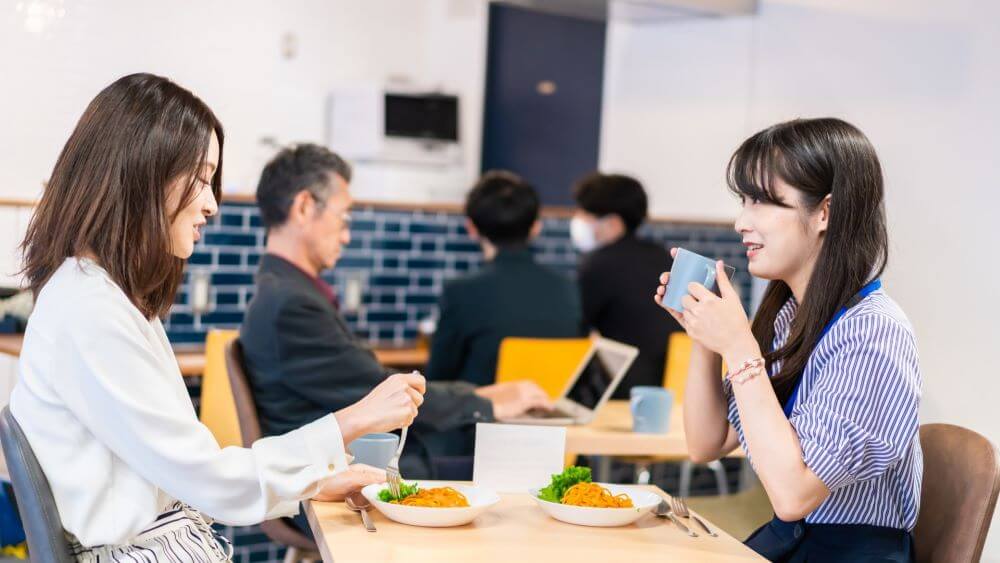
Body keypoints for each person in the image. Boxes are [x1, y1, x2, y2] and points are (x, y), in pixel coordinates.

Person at [10, 74, 424, 562]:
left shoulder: (108, 298)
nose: (211, 204)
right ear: (143, 172)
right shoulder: (90, 311)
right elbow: (209, 479)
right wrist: (354, 420)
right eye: (201, 178)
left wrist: (311, 484)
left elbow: (197, 473)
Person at [655, 118, 921, 561]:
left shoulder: (874, 333)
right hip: (795, 542)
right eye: (743, 200)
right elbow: (705, 444)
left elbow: (794, 495)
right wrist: (705, 337)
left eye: (761, 201)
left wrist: (739, 348)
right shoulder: (789, 318)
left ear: (825, 213)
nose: (741, 221)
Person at [239, 146, 552, 497]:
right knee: (524, 461)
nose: (346, 236)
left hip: (356, 459)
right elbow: (379, 394)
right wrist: (487, 402)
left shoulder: (285, 294)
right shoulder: (291, 305)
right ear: (304, 207)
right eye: (344, 219)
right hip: (349, 472)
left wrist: (481, 396)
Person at [426, 170, 584, 386]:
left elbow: (437, 381)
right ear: (536, 227)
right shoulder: (568, 288)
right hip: (552, 416)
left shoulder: (460, 291)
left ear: (471, 228)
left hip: (484, 417)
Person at [571, 173, 682, 398]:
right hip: (672, 387)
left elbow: (576, 324)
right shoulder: (663, 256)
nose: (578, 219)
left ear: (612, 223)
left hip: (621, 386)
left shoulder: (599, 263)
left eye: (585, 214)